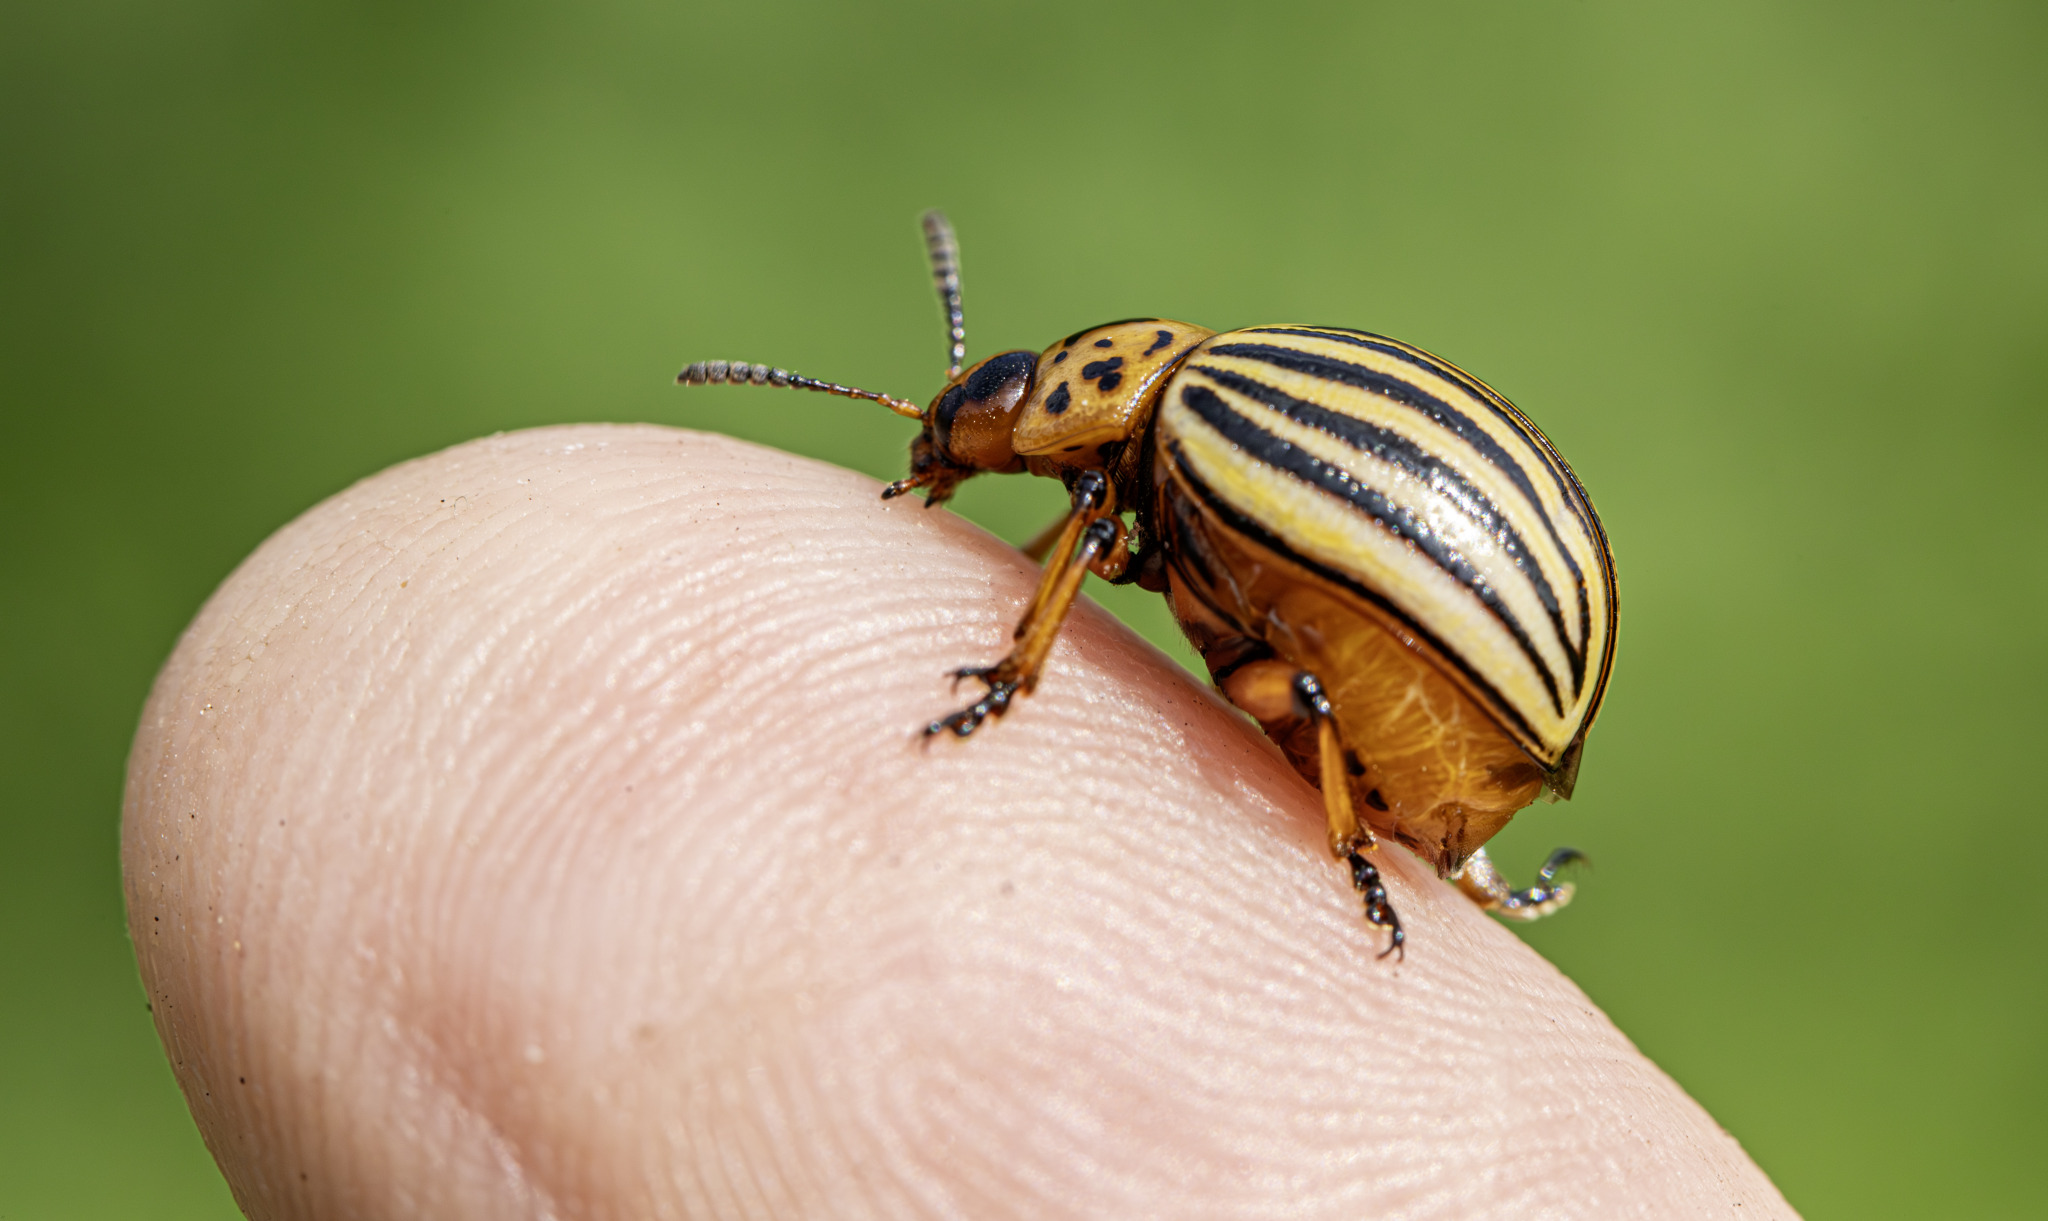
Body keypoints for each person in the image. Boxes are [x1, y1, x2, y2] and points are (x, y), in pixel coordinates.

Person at [124, 425, 1794, 1218]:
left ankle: (1374, 838)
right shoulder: (1181, 460)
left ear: (1075, 406)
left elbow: (1265, 634)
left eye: (984, 425)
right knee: (1312, 694)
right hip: (1491, 641)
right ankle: (1421, 844)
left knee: (1322, 704)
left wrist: (1018, 675)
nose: (968, 456)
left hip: (1454, 651)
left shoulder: (1155, 468)